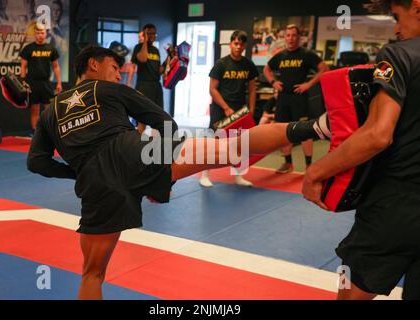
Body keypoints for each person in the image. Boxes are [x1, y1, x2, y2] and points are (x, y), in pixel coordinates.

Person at [26, 45, 329, 300]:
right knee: (229, 148)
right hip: (139, 154)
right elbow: (165, 123)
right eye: (115, 66)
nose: (119, 73)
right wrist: (163, 173)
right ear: (94, 64)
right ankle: (317, 127)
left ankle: (315, 127)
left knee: (91, 274)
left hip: (95, 183)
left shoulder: (51, 111)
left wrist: (76, 173)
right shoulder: (109, 89)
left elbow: (36, 163)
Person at [303, 0, 420, 300]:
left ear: (417, 7)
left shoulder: (398, 54)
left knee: (347, 290)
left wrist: (316, 171)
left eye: (397, 17)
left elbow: (377, 135)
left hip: (394, 207)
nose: (396, 27)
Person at [264, 24, 329, 173]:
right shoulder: (280, 55)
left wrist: (309, 84)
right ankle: (288, 163)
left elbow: (324, 68)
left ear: (299, 38)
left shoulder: (306, 54)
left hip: (299, 99)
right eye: (288, 35)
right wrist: (273, 82)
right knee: (282, 131)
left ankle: (309, 165)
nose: (291, 38)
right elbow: (266, 69)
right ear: (285, 37)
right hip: (283, 99)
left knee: (305, 132)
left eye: (293, 35)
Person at [199, 30, 259, 188]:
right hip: (220, 108)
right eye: (235, 43)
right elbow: (212, 89)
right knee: (215, 142)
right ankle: (204, 175)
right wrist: (225, 108)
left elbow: (252, 89)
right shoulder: (221, 64)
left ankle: (238, 176)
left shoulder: (248, 65)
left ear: (245, 46)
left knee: (240, 142)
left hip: (239, 109)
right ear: (231, 44)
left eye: (241, 44)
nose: (238, 47)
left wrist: (251, 109)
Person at [20, 22, 62, 133]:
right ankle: (35, 132)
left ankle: (50, 132)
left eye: (42, 33)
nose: (40, 35)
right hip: (32, 83)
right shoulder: (28, 49)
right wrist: (22, 82)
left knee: (49, 109)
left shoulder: (50, 48)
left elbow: (56, 67)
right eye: (38, 33)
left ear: (46, 33)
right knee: (35, 109)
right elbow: (23, 67)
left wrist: (59, 83)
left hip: (46, 83)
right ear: (35, 33)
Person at [131, 23, 165, 133]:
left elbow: (159, 71)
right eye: (149, 33)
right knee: (143, 119)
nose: (152, 36)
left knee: (158, 116)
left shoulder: (156, 50)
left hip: (156, 86)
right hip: (144, 86)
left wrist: (169, 59)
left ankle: (156, 145)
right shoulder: (138, 47)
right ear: (144, 34)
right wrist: (144, 42)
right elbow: (143, 59)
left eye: (153, 33)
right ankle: (138, 144)